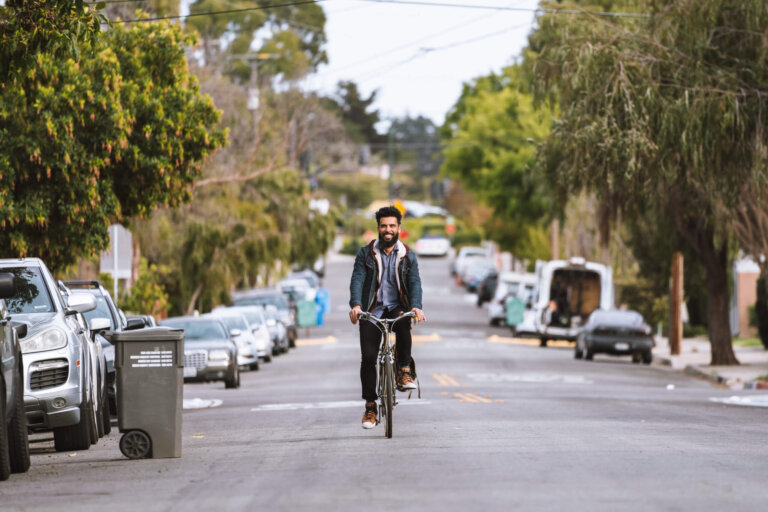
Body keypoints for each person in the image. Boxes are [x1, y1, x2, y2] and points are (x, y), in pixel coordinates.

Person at [349, 206, 426, 429]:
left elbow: (414, 283)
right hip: (372, 310)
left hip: (396, 307)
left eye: (392, 225)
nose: (388, 229)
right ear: (378, 228)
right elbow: (357, 280)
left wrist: (416, 307)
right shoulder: (366, 254)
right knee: (369, 357)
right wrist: (356, 305)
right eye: (383, 226)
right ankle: (371, 405)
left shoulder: (408, 255)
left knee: (404, 321)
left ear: (399, 228)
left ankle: (403, 370)